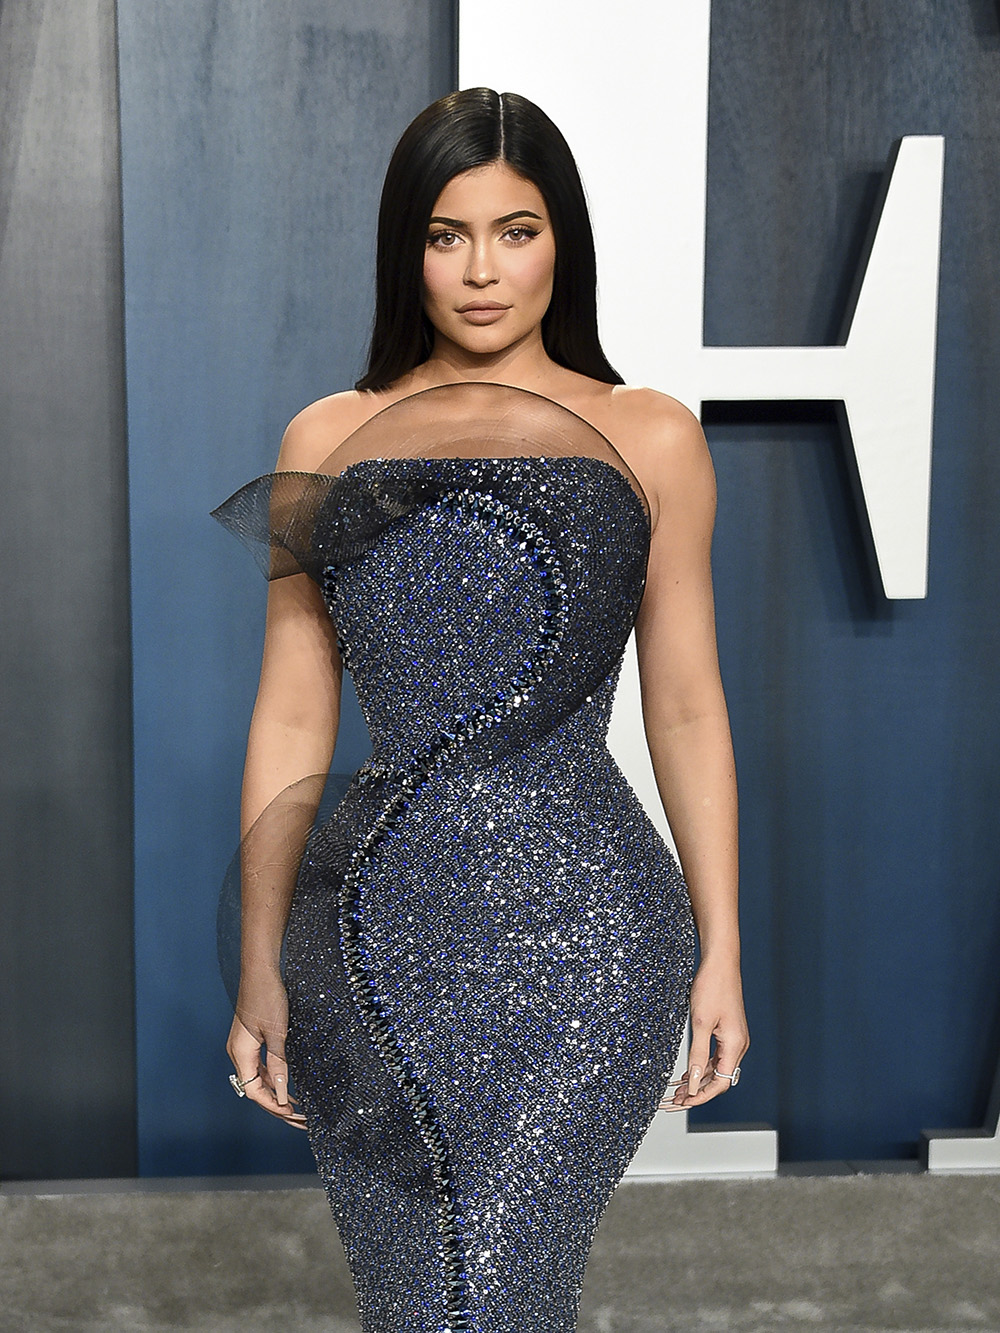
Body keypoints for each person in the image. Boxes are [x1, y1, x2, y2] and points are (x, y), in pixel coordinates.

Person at [213, 87, 749, 1333]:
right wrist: (258, 955)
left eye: (516, 230)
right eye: (446, 235)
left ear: (564, 241)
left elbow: (684, 704)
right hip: (376, 937)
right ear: (408, 250)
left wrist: (720, 946)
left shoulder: (650, 434)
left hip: (594, 938)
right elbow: (292, 718)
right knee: (420, 1305)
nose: (480, 270)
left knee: (500, 1293)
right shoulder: (330, 435)